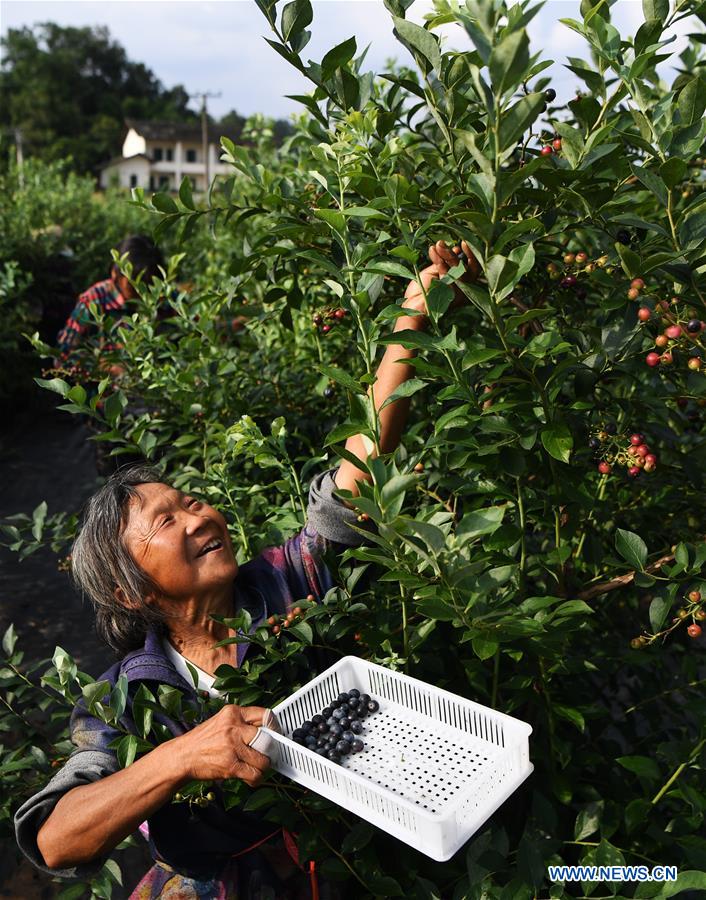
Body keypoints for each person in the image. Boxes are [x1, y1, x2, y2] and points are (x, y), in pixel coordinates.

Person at [14, 240, 476, 898]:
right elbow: (56, 840)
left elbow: (366, 454)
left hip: (351, 865)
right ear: (129, 587)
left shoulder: (293, 581)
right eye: (166, 522)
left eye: (192, 502)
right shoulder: (126, 700)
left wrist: (416, 313)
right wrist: (177, 757)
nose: (199, 518)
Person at [56, 234, 165, 365]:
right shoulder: (94, 300)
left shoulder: (163, 297)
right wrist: (105, 368)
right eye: (133, 284)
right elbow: (63, 355)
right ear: (115, 272)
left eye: (147, 283)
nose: (140, 290)